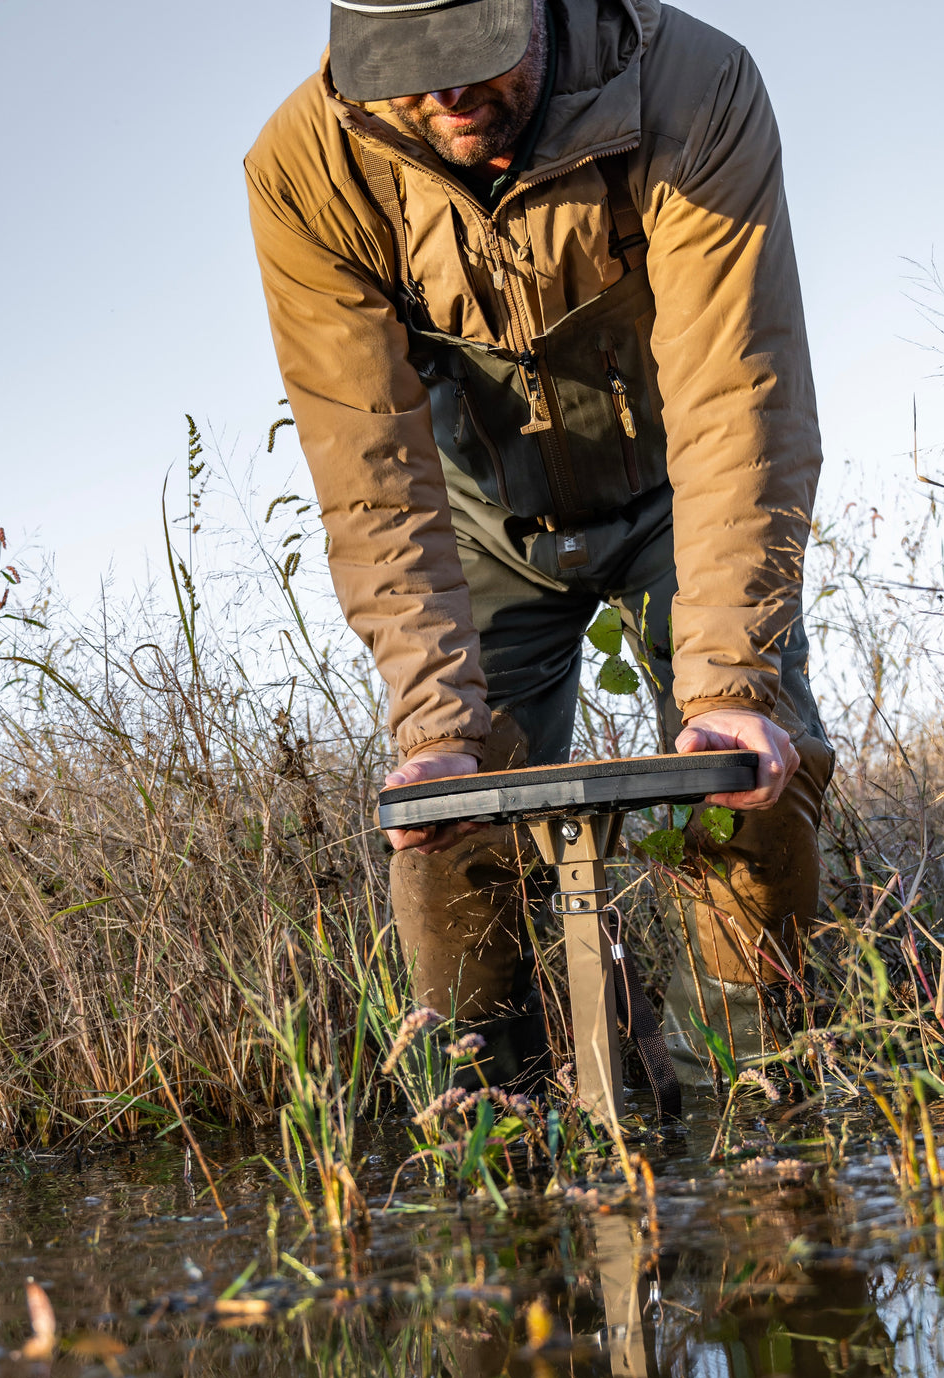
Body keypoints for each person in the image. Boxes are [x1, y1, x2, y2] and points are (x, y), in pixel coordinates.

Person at [246, 0, 834, 1089]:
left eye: (468, 60)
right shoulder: (305, 167)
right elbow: (368, 468)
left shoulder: (692, 86)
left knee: (747, 778)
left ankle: (759, 1113)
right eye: (406, 73)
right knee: (449, 834)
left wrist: (728, 678)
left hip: (677, 492)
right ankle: (495, 1132)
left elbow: (735, 394)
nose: (444, 97)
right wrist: (435, 721)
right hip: (484, 519)